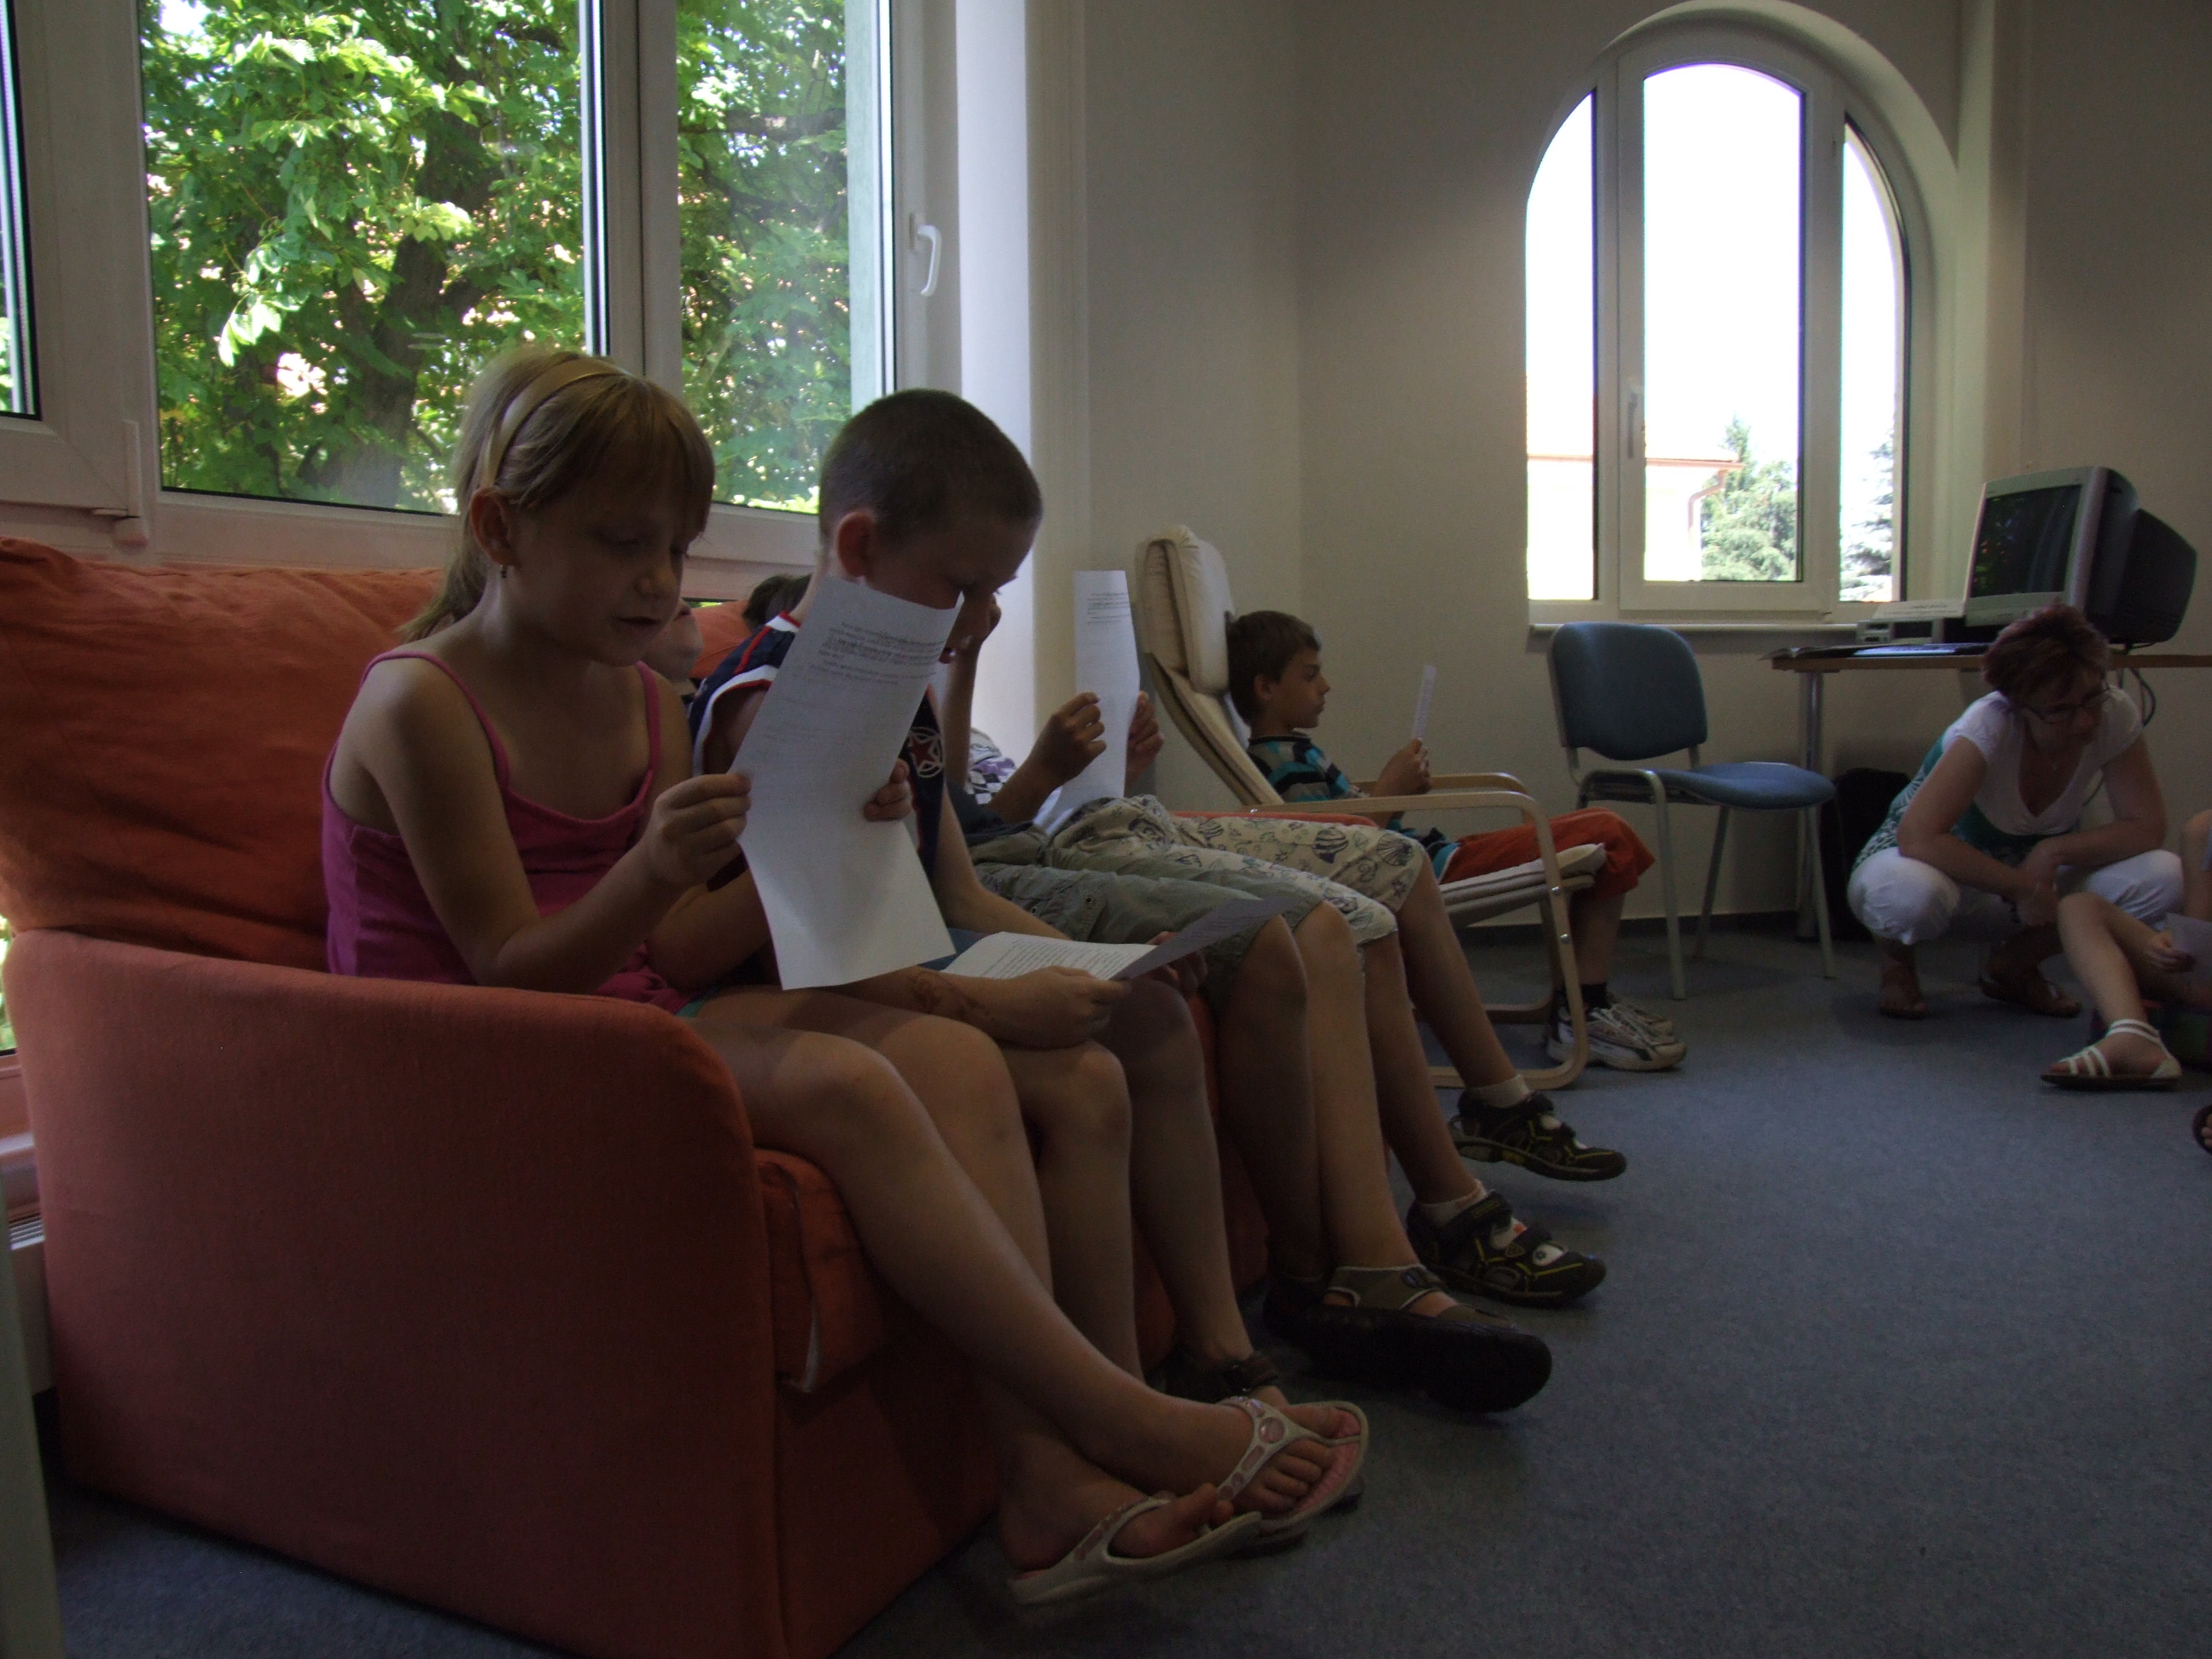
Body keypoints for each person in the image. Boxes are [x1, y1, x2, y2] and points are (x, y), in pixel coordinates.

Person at [323, 348, 1359, 1600]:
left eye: (676, 549)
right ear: (500, 530)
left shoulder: (640, 699)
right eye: (622, 545)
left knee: (957, 1057)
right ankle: (1132, 1421)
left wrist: (817, 834)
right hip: (472, 1054)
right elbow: (505, 975)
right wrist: (652, 870)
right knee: (854, 1084)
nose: (661, 584)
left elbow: (673, 953)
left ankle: (1042, 1481)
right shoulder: (420, 706)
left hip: (631, 1014)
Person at [930, 608, 1564, 1406]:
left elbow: (959, 806)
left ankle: (1428, 1200)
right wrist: (1043, 773)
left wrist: (1089, 757)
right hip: (1057, 847)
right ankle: (1344, 1267)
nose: (978, 608)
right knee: (1317, 928)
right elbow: (967, 846)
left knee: (1366, 897)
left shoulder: (941, 715)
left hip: (1100, 821)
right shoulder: (845, 705)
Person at [1227, 609, 1682, 1074]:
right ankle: (1585, 1008)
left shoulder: (1293, 751)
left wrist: (1398, 795)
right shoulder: (1282, 762)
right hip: (1428, 871)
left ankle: (1583, 1001)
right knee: (1606, 831)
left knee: (1595, 833)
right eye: (1310, 675)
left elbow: (1350, 828)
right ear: (1266, 688)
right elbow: (1329, 850)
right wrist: (1389, 790)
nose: (1326, 686)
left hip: (1429, 858)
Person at [1848, 605, 2183, 1022]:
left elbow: (2146, 826)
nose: (2084, 721)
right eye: (2060, 709)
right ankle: (1897, 966)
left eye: (2092, 698)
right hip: (1941, 868)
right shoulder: (1988, 725)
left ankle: (2014, 965)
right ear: (2020, 705)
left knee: (2166, 876)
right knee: (1905, 897)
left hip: (2034, 875)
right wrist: (2024, 888)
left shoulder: (2114, 712)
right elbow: (1919, 837)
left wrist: (2054, 851)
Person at [2040, 809, 2212, 1087]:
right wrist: (2173, 943)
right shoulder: (2203, 830)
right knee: (2079, 907)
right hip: (2204, 985)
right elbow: (2198, 933)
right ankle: (2131, 1034)